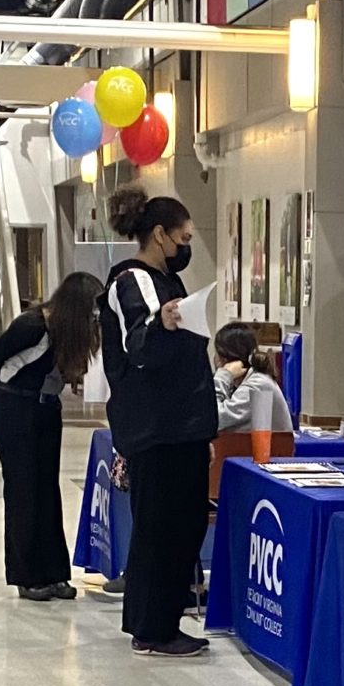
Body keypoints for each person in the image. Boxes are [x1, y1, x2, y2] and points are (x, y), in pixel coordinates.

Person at [98, 185, 217, 659]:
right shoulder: (134, 279)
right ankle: (151, 627)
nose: (187, 246)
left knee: (184, 525)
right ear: (160, 234)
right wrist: (161, 324)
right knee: (159, 528)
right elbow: (138, 342)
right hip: (156, 428)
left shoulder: (169, 280)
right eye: (184, 237)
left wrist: (201, 429)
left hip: (180, 426)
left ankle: (163, 618)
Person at [0, 272, 102, 602]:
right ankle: (27, 576)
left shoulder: (66, 334)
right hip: (12, 405)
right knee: (24, 489)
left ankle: (54, 573)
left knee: (48, 489)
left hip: (46, 408)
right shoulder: (32, 326)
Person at [214, 325, 294, 441]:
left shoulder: (256, 386)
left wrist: (222, 377)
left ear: (223, 358)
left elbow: (213, 420)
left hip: (269, 456)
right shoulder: (251, 380)